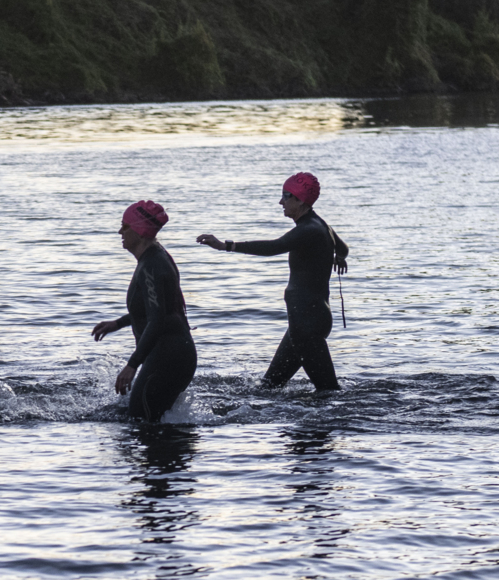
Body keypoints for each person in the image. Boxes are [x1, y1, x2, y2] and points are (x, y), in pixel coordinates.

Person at [196, 172, 349, 391]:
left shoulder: (309, 230)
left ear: (301, 200)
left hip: (307, 324)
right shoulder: (321, 226)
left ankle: (343, 424)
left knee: (329, 393)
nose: (281, 201)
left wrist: (226, 246)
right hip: (304, 322)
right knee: (269, 387)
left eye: (286, 196)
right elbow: (343, 248)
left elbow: (273, 247)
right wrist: (339, 257)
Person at [92, 201, 198, 421]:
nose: (120, 231)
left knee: (142, 423)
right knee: (137, 418)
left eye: (125, 226)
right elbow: (156, 310)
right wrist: (118, 323)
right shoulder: (152, 258)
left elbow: (157, 319)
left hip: (169, 358)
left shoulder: (152, 265)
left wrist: (132, 365)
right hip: (170, 354)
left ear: (140, 231)